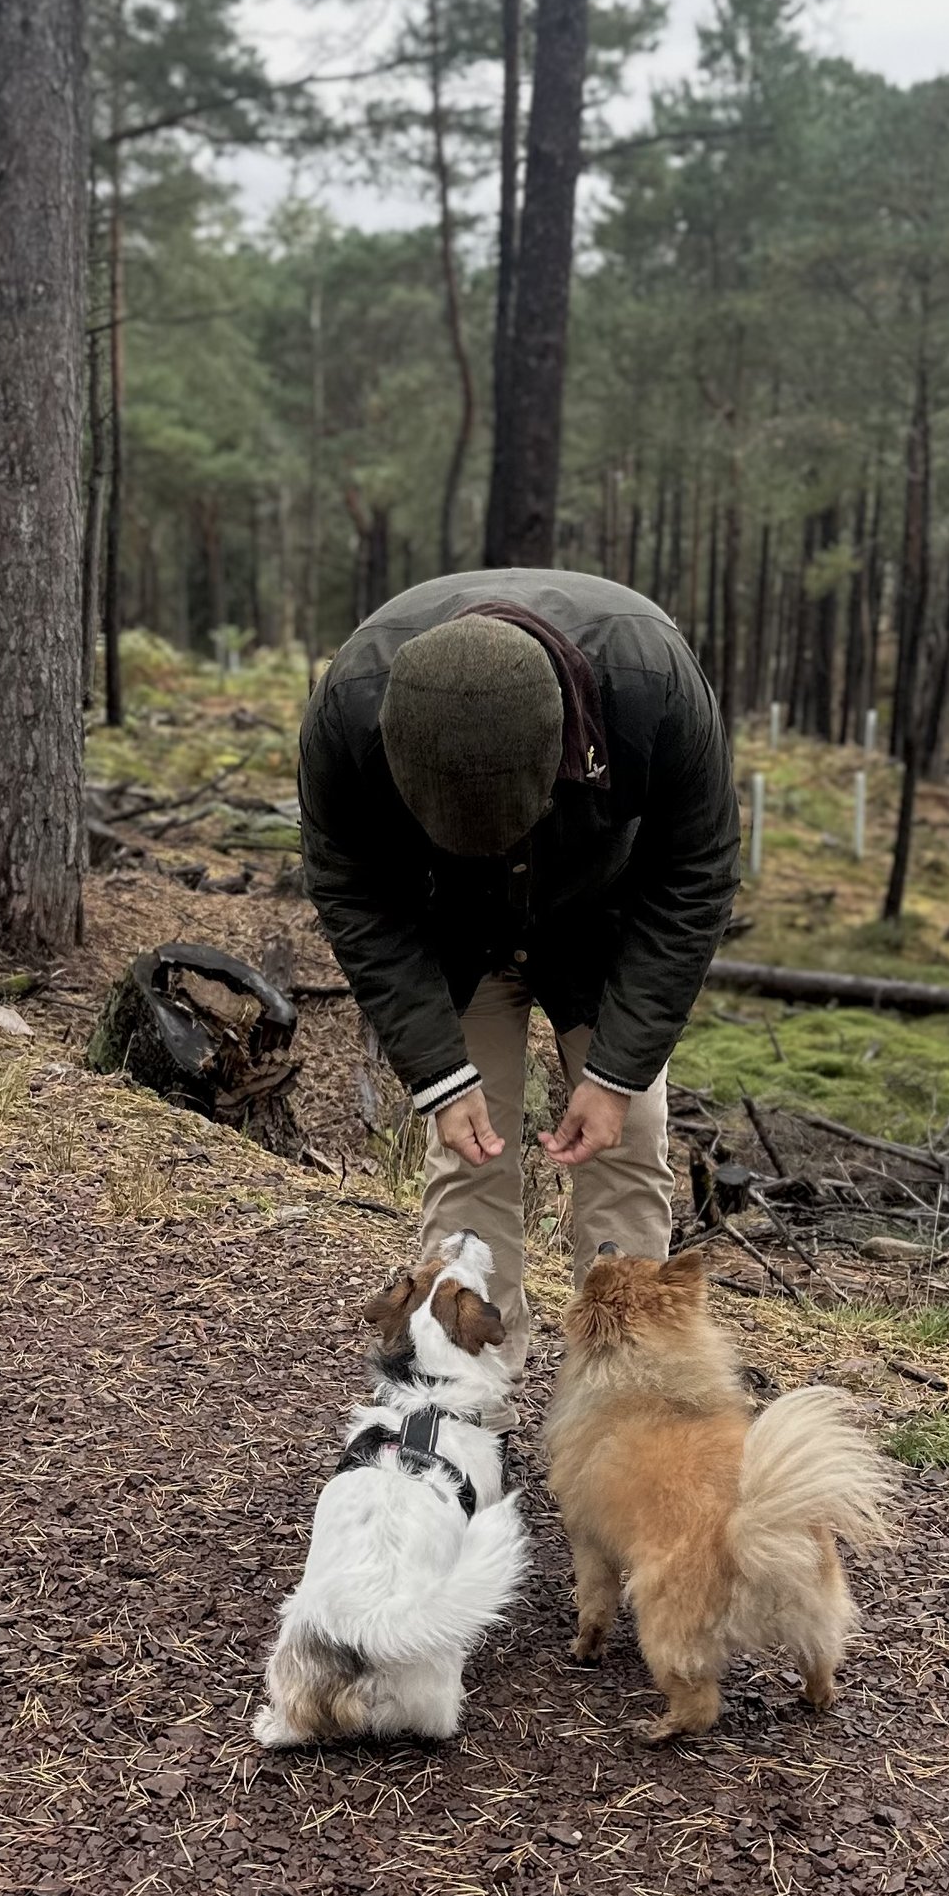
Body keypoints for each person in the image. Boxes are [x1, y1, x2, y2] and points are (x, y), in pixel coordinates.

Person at [298, 568, 738, 1355]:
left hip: (603, 918)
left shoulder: (652, 685)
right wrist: (439, 1072)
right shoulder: (348, 712)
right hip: (454, 922)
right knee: (467, 1154)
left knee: (628, 1143)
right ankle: (465, 1400)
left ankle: (628, 1397)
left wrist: (617, 1074)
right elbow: (351, 888)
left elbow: (696, 872)